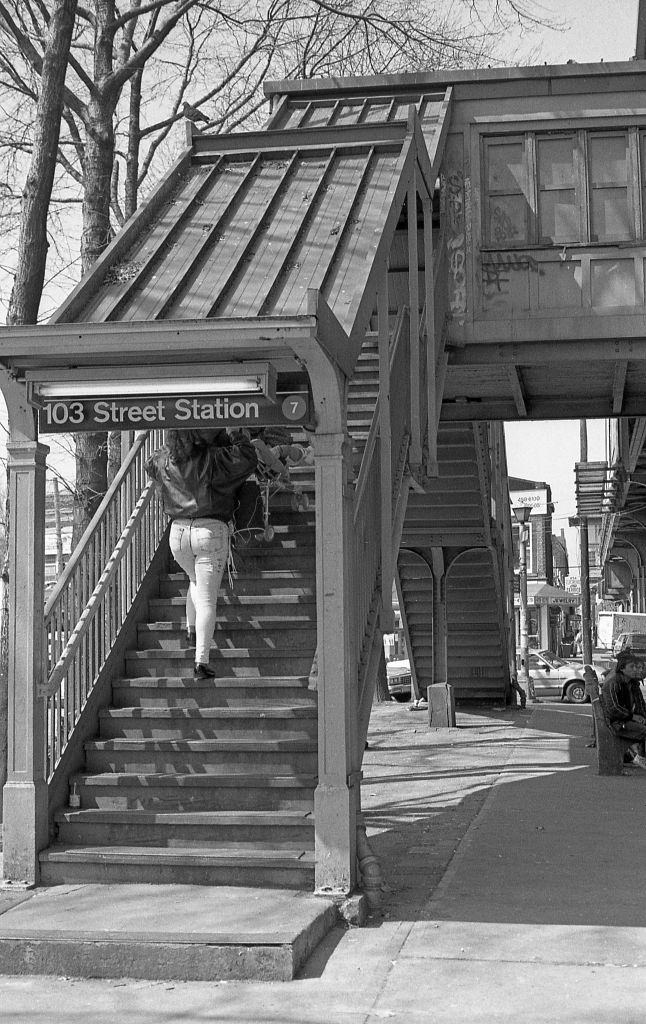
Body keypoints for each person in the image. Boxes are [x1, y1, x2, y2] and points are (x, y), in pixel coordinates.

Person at [145, 428, 258, 678]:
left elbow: (149, 464)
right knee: (207, 599)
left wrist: (166, 451)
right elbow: (248, 458)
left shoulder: (164, 460)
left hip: (178, 534)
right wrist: (238, 435)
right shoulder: (214, 457)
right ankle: (201, 663)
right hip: (210, 529)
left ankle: (191, 629)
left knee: (195, 580)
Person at [598, 650, 646, 768]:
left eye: (637, 667)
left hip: (625, 719)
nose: (636, 670)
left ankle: (636, 756)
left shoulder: (632, 683)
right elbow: (614, 709)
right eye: (632, 667)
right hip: (617, 723)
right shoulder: (613, 683)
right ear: (622, 669)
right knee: (644, 730)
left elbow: (641, 705)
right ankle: (640, 758)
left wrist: (643, 716)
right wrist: (633, 717)